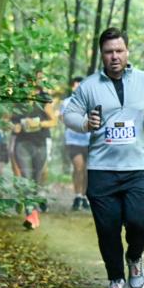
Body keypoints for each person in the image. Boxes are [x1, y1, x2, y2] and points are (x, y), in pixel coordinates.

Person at [63, 28, 144, 288]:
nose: (114, 56)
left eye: (119, 51)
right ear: (101, 55)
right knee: (107, 227)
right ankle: (115, 279)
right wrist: (85, 123)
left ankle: (134, 256)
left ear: (127, 52)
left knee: (139, 222)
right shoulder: (88, 86)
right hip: (101, 168)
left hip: (138, 166)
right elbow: (69, 113)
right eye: (109, 52)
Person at [11, 73, 57, 229]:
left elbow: (53, 121)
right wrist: (13, 126)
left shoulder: (43, 99)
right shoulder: (19, 101)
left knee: (36, 179)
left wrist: (37, 123)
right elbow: (6, 119)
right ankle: (30, 214)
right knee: (26, 176)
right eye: (26, 83)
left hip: (40, 143)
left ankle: (34, 211)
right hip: (22, 143)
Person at [61, 77, 90, 211]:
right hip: (73, 140)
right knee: (78, 167)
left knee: (86, 169)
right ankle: (77, 195)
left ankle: (84, 196)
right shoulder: (67, 103)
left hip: (89, 140)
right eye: (75, 86)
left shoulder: (91, 101)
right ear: (72, 87)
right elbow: (63, 119)